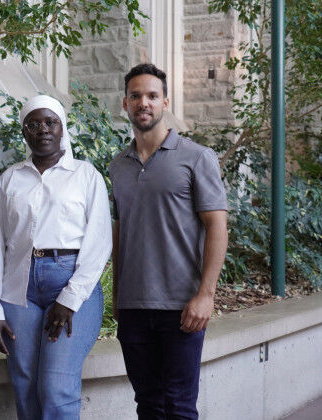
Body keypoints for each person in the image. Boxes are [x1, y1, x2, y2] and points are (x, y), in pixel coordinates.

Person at [0, 95, 112, 419]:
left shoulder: (86, 176)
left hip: (70, 282)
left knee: (56, 388)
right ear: (24, 132)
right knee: (25, 385)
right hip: (19, 289)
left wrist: (69, 299)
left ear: (62, 127)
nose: (43, 129)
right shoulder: (10, 179)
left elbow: (99, 244)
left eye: (50, 122)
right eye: (34, 124)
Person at [110, 63, 228, 419]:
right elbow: (120, 232)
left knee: (178, 406)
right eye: (135, 96)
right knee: (147, 404)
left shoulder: (197, 157)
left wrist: (206, 295)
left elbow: (217, 227)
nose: (143, 102)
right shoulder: (118, 165)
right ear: (125, 104)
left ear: (165, 102)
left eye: (152, 95)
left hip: (182, 306)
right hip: (133, 307)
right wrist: (117, 296)